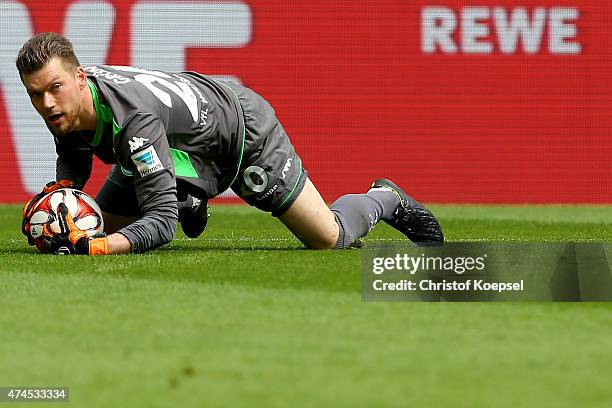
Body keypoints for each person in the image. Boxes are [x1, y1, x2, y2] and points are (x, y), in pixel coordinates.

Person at [17, 32, 443, 255]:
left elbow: (162, 224)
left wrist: (104, 245)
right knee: (98, 231)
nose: (46, 103)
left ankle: (383, 199)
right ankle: (191, 189)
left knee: (327, 237)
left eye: (53, 88)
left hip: (240, 134)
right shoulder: (69, 103)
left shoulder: (135, 121)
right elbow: (72, 149)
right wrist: (65, 191)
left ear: (78, 78)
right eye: (35, 94)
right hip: (184, 138)